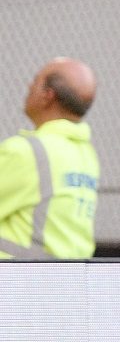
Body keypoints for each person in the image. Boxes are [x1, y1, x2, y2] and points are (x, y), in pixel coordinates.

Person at [0, 57, 100, 259]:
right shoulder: (86, 155)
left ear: (48, 96)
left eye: (36, 80)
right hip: (69, 274)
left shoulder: (25, 152)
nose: (29, 86)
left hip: (17, 275)